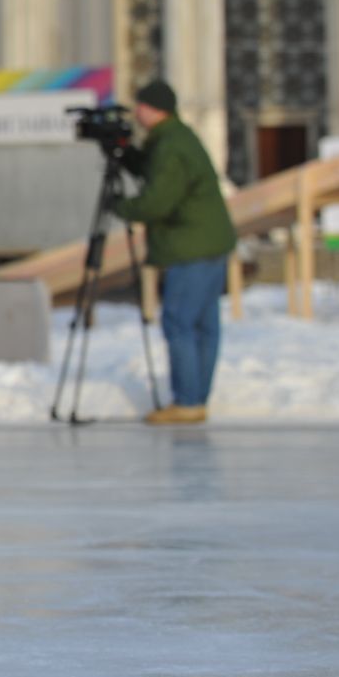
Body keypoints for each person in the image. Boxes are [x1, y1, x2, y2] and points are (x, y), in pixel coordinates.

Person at [111, 79, 236, 426]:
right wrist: (129, 156)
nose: (135, 113)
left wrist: (123, 207)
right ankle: (196, 399)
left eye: (140, 106)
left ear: (155, 109)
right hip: (210, 242)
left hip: (190, 245)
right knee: (204, 325)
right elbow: (159, 175)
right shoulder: (174, 138)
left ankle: (188, 400)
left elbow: (159, 200)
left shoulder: (170, 145)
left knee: (180, 322)